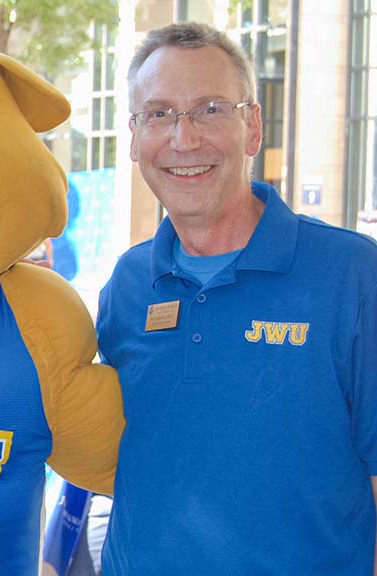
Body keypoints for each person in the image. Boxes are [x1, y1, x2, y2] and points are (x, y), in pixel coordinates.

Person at [97, 22, 377, 575]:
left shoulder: (353, 274)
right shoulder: (127, 285)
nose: (184, 139)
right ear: (132, 138)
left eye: (209, 110)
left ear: (252, 127)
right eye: (158, 114)